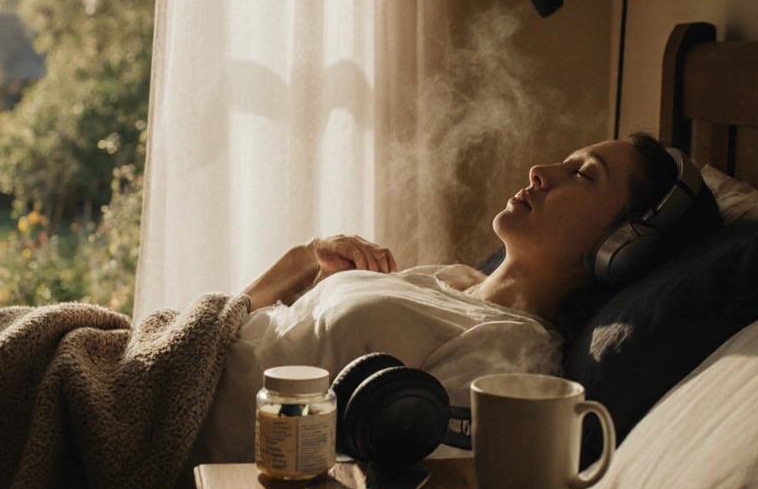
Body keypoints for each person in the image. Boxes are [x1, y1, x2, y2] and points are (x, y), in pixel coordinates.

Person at [194, 132, 721, 463]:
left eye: (583, 175)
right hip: (173, 364)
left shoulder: (508, 355)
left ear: (622, 247)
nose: (542, 170)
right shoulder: (454, 278)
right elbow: (232, 335)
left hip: (176, 437)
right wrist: (306, 259)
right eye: (566, 161)